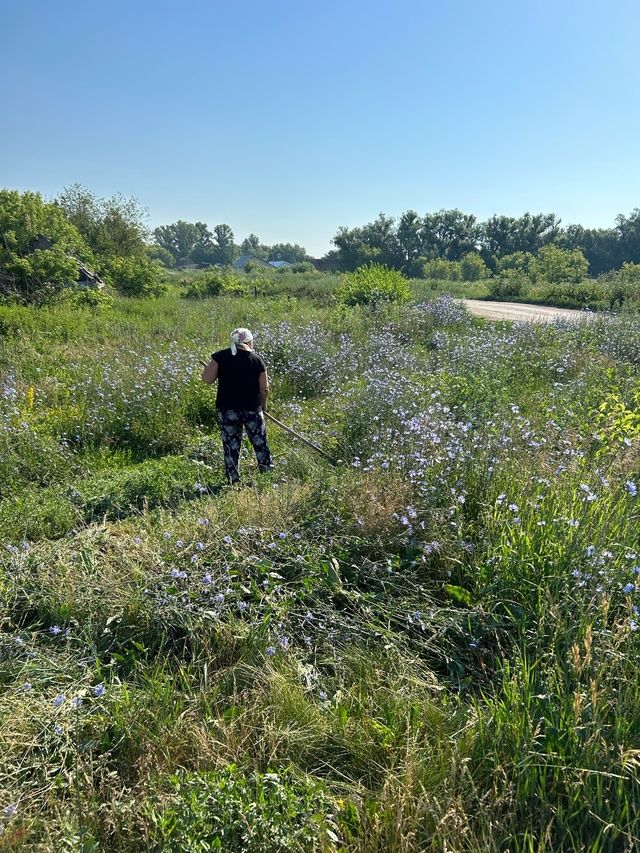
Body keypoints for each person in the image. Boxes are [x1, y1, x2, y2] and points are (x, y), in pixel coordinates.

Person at [201, 327, 273, 484]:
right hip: (252, 409)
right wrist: (264, 405)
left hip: (228, 410)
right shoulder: (256, 359)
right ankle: (267, 474)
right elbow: (264, 388)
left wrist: (211, 368)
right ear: (248, 341)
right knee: (259, 442)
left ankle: (233, 480)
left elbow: (206, 379)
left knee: (231, 445)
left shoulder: (220, 357)